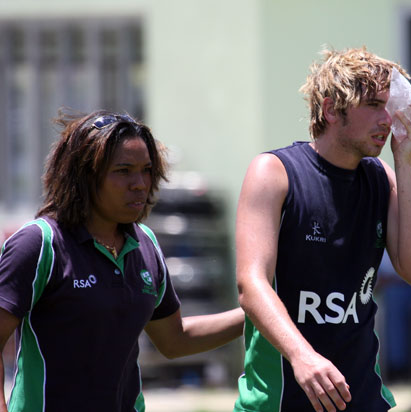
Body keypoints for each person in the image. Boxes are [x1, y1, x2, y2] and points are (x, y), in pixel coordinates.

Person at [233, 47, 411, 412]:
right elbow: (252, 285)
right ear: (330, 110)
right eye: (374, 105)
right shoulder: (274, 172)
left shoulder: (382, 178)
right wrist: (303, 357)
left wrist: (404, 162)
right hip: (280, 401)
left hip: (363, 399)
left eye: (388, 106)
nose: (387, 119)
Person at [0, 109, 244, 412]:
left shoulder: (146, 245)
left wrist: (258, 312)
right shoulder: (39, 244)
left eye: (146, 170)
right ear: (85, 177)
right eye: (123, 170)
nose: (140, 183)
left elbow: (175, 340)